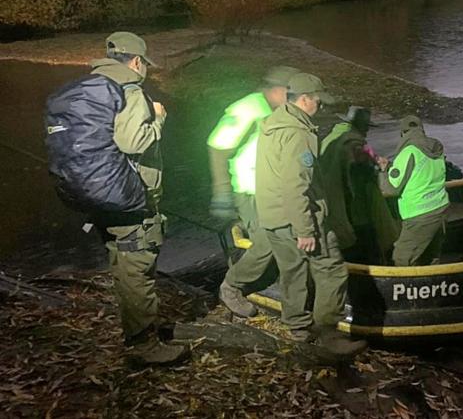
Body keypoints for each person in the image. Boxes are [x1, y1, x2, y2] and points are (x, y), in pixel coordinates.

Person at [45, 32, 187, 365]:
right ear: (137, 61)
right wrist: (159, 116)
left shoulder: (87, 90)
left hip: (97, 196)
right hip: (130, 199)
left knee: (122, 263)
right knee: (138, 268)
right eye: (144, 64)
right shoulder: (130, 90)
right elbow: (135, 141)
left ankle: (136, 329)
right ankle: (143, 346)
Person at [255, 73, 366, 355]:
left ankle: (297, 329)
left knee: (292, 272)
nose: (321, 105)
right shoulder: (299, 134)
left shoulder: (273, 123)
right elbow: (296, 185)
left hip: (273, 215)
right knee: (331, 270)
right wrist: (305, 229)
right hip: (300, 217)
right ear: (304, 100)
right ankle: (329, 335)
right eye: (318, 100)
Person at [206, 66, 300, 318]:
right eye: (290, 93)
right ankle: (232, 286)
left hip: (275, 192)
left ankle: (282, 291)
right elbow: (217, 146)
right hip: (250, 191)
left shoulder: (281, 112)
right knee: (267, 242)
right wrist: (222, 190)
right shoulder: (248, 109)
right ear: (277, 90)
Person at [320, 106, 398, 263]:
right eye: (366, 128)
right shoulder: (356, 144)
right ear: (362, 126)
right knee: (367, 251)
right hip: (358, 213)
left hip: (330, 206)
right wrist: (380, 169)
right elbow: (361, 176)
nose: (367, 132)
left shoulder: (330, 140)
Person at [378, 116, 450, 266]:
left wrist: (385, 171)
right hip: (440, 209)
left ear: (403, 133)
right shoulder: (436, 148)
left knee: (403, 258)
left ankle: (411, 289)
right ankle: (433, 286)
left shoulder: (408, 152)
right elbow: (420, 173)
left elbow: (391, 189)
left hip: (419, 215)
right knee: (431, 257)